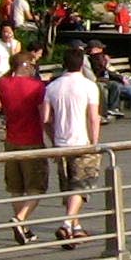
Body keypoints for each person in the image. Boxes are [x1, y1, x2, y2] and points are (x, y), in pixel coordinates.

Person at [41, 49, 106, 244]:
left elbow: (45, 119)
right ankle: (67, 223)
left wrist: (53, 139)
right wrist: (94, 142)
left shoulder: (52, 87)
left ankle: (75, 227)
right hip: (81, 142)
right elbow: (93, 117)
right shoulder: (89, 86)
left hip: (61, 143)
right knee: (82, 185)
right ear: (82, 65)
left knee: (69, 186)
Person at [0, 50, 51, 244]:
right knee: (36, 186)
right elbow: (43, 116)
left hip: (11, 141)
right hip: (32, 140)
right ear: (25, 65)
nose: (34, 68)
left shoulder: (2, 83)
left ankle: (24, 228)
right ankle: (20, 218)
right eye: (32, 65)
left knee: (16, 187)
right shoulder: (36, 87)